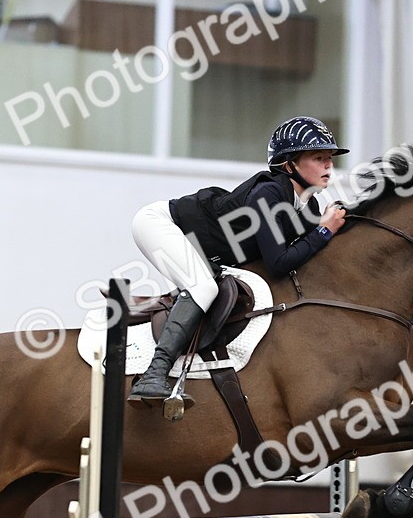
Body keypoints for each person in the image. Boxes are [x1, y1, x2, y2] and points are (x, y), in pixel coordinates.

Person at [127, 116, 349, 406]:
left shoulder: (311, 206)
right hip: (160, 224)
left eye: (330, 158)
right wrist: (323, 230)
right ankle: (153, 375)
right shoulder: (268, 194)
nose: (328, 165)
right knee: (204, 288)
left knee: (208, 287)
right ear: (289, 163)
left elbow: (302, 257)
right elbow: (279, 263)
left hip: (203, 247)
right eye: (319, 157)